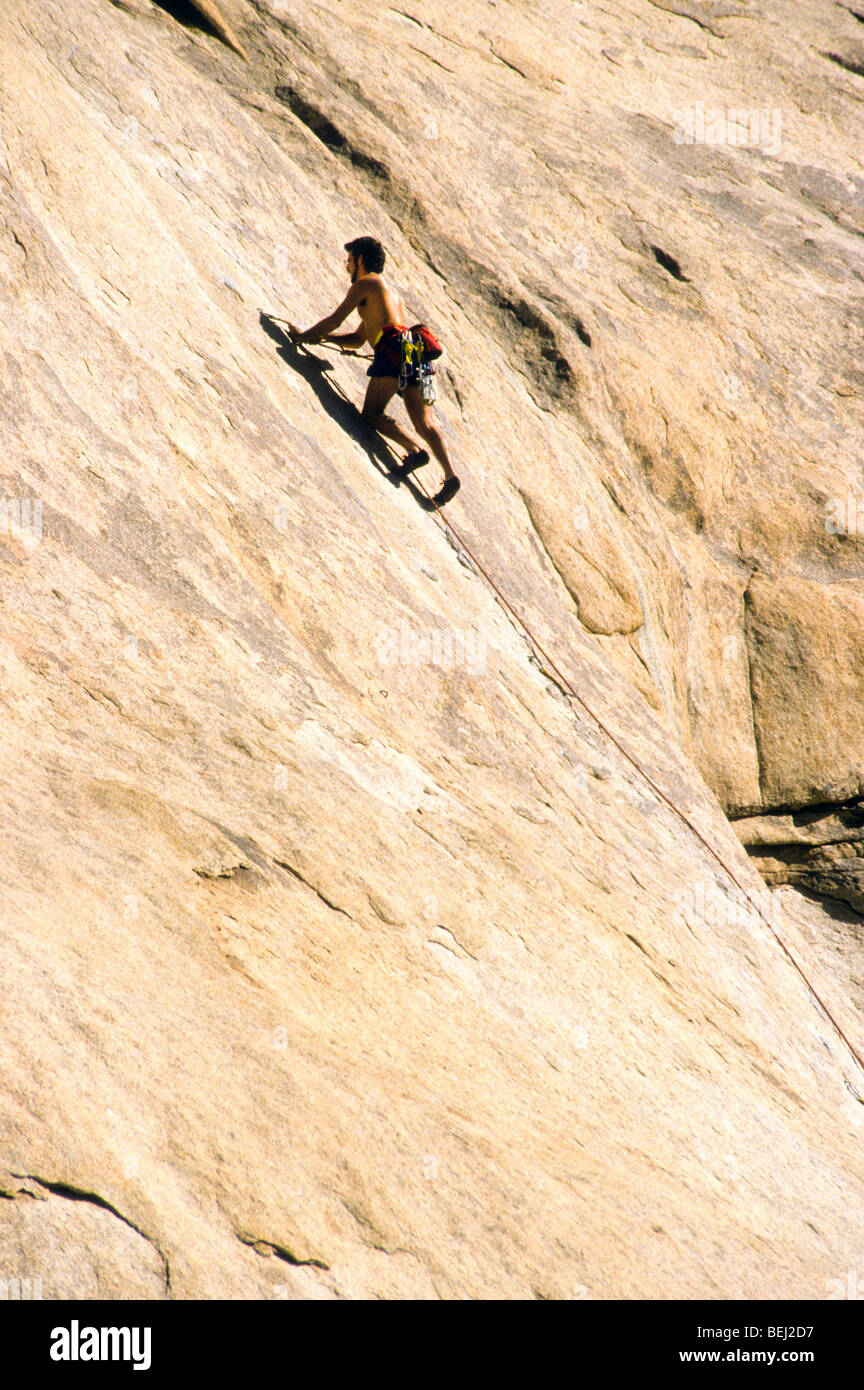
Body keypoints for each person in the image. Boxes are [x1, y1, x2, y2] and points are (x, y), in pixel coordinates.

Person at [286, 237, 460, 505]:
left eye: (349, 260)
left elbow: (335, 319)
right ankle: (450, 476)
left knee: (371, 413)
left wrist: (303, 337)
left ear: (361, 261)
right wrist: (325, 339)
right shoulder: (391, 297)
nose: (346, 267)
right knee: (426, 422)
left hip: (393, 351)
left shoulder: (365, 284)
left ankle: (415, 450)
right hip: (417, 353)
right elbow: (357, 339)